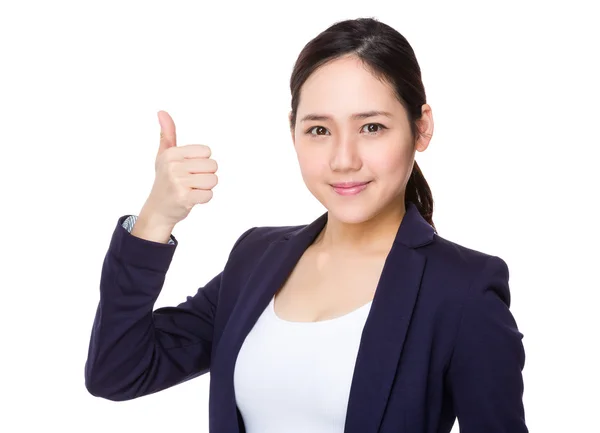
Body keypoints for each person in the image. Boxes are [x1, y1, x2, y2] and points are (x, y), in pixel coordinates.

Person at [85, 17, 528, 433]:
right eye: (319, 130)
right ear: (293, 131)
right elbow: (118, 372)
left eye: (371, 127)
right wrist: (156, 218)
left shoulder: (463, 289)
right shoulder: (256, 258)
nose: (343, 159)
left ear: (421, 128)